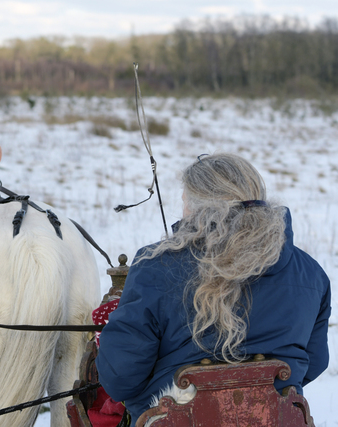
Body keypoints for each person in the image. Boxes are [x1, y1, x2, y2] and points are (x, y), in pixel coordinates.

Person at [95, 153, 331, 425]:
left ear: (198, 208)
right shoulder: (311, 273)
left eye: (185, 202)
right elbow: (313, 363)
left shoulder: (155, 266)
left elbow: (120, 377)